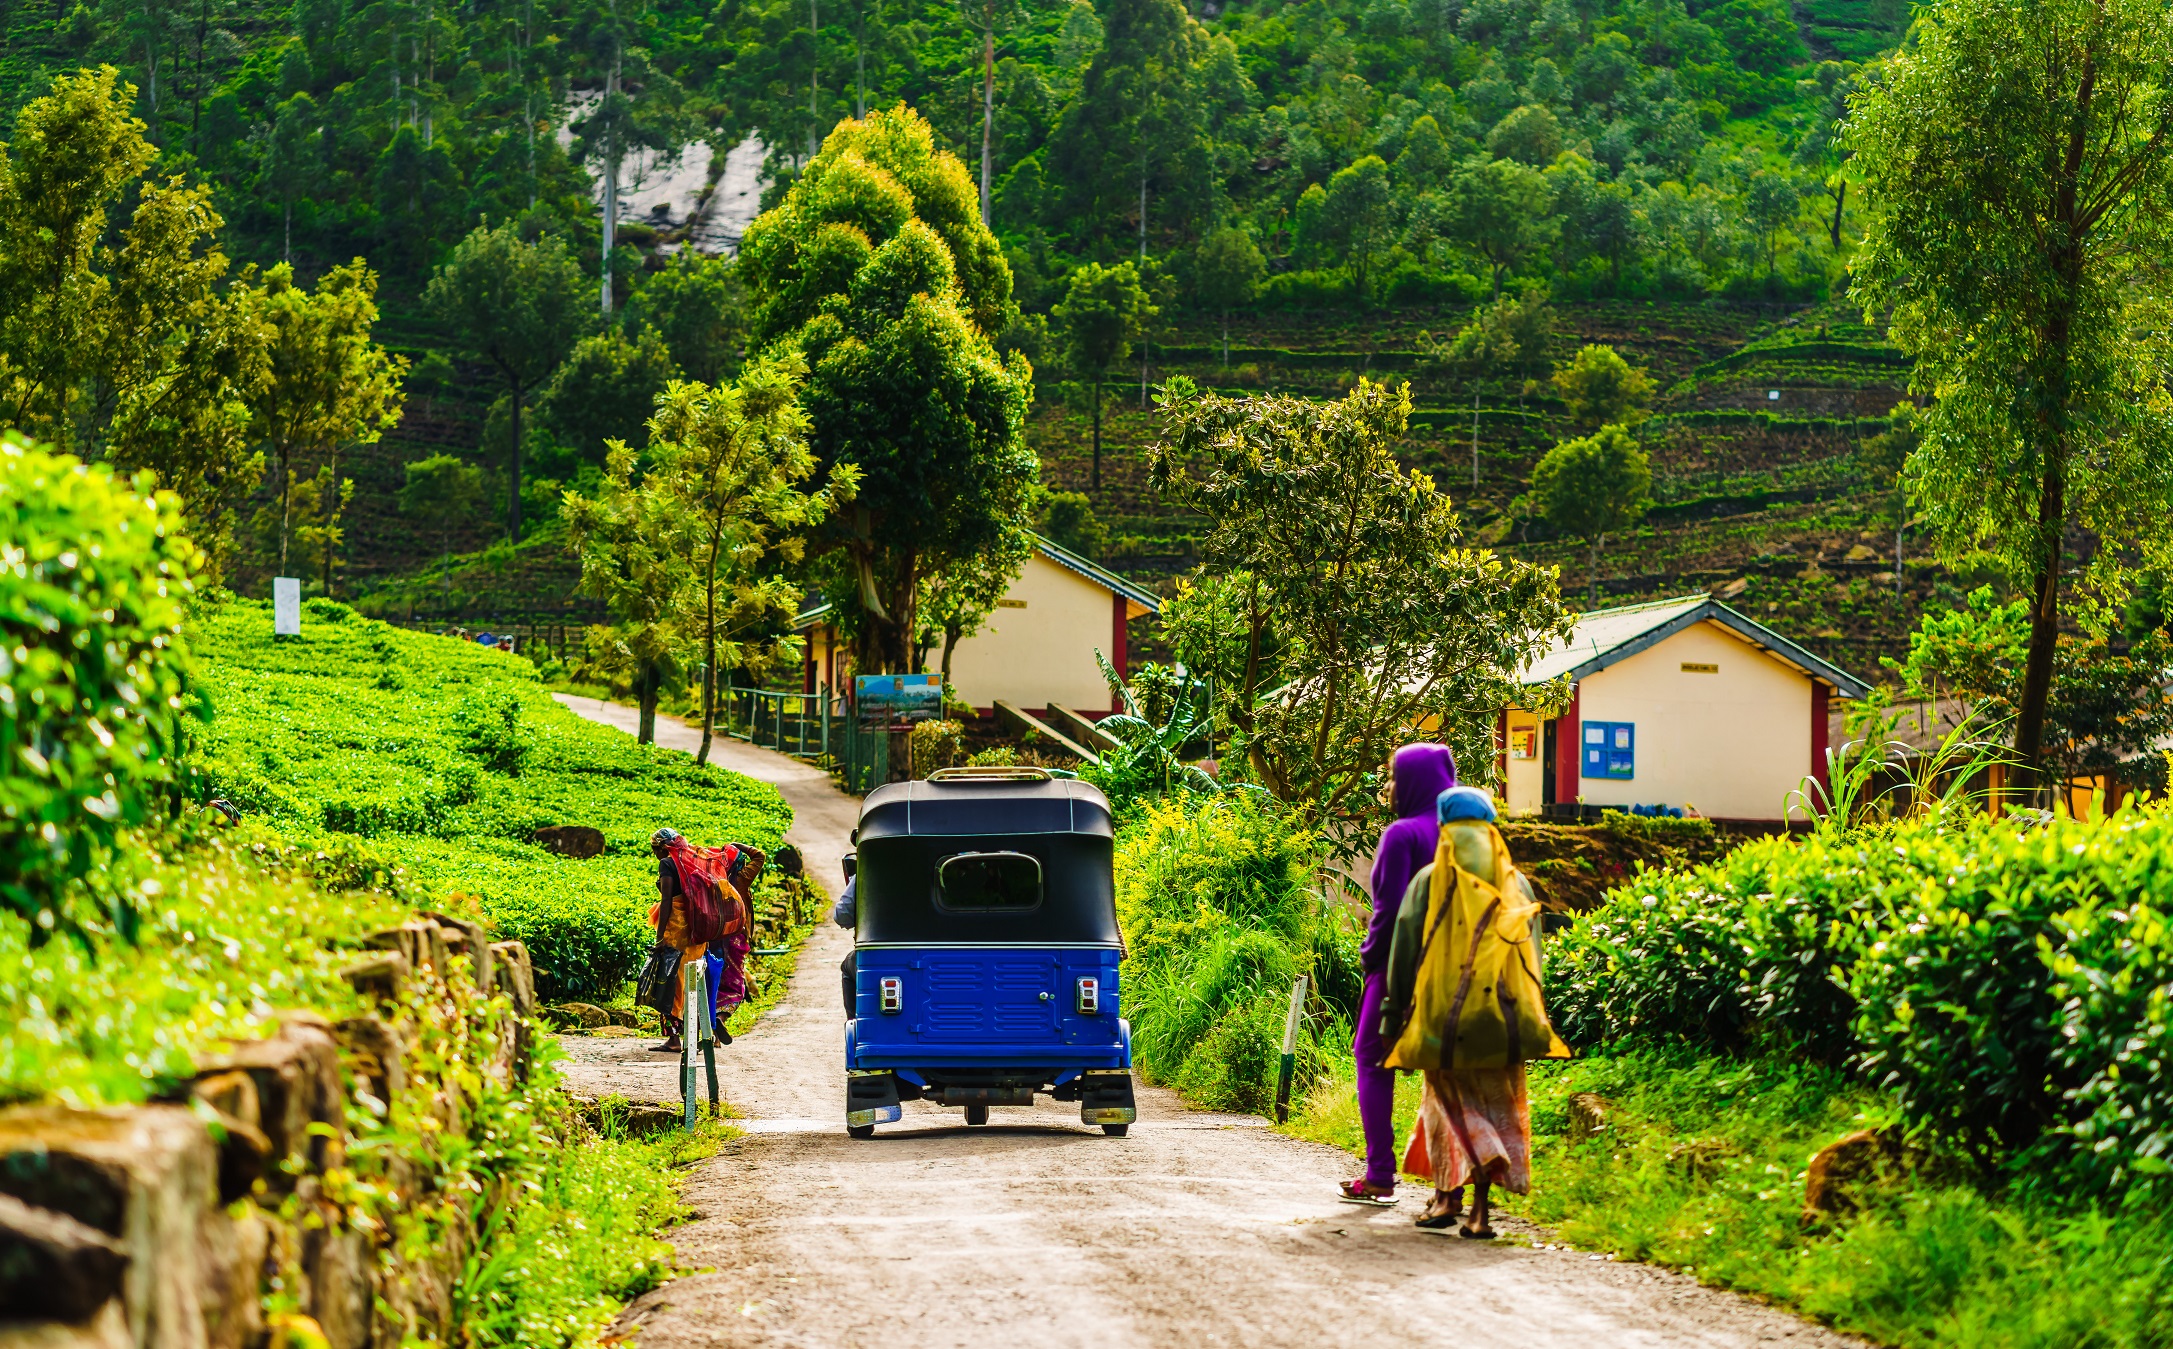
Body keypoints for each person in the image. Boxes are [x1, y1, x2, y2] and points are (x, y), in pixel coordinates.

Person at [1396, 785, 1545, 1238]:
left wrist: (1398, 1013)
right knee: (1496, 1109)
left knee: (1448, 1109)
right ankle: (1476, 1209)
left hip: (1445, 1018)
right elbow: (1533, 956)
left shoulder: (1429, 879)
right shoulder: (1516, 882)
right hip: (1505, 1020)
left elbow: (1405, 950)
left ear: (1444, 828)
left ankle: (1446, 1200)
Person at [1339, 742, 1458, 1206]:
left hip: (1399, 969)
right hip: (1460, 968)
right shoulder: (1467, 834)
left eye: (1392, 776)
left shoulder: (1402, 834)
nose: (1389, 786)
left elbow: (1387, 915)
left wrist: (1370, 961)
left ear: (1412, 782)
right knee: (1447, 1069)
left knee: (1370, 1056)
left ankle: (1380, 1174)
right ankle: (1451, 1186)